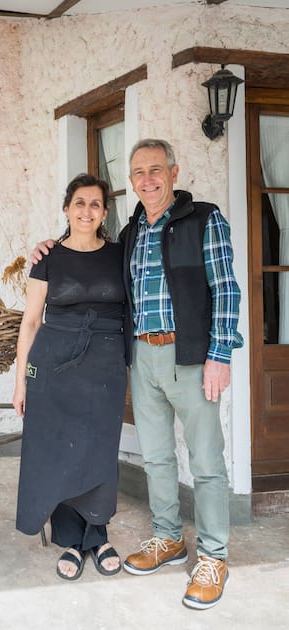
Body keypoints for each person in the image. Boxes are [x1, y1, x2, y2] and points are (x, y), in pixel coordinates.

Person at [31, 139, 243, 609]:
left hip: (190, 356)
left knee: (206, 460)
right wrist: (46, 246)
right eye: (138, 173)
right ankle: (167, 538)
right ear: (131, 183)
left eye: (156, 170)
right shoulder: (129, 233)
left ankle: (213, 555)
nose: (147, 179)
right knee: (159, 457)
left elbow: (226, 288)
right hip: (141, 357)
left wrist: (221, 355)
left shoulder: (204, 219)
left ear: (173, 171)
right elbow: (84, 251)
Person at [13, 173, 127, 581]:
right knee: (60, 451)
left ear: (105, 212)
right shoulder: (48, 258)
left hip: (106, 367)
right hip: (53, 367)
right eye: (79, 203)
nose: (86, 211)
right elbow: (29, 323)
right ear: (66, 208)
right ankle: (72, 542)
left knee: (99, 450)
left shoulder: (119, 254)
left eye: (95, 204)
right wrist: (21, 380)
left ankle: (98, 534)